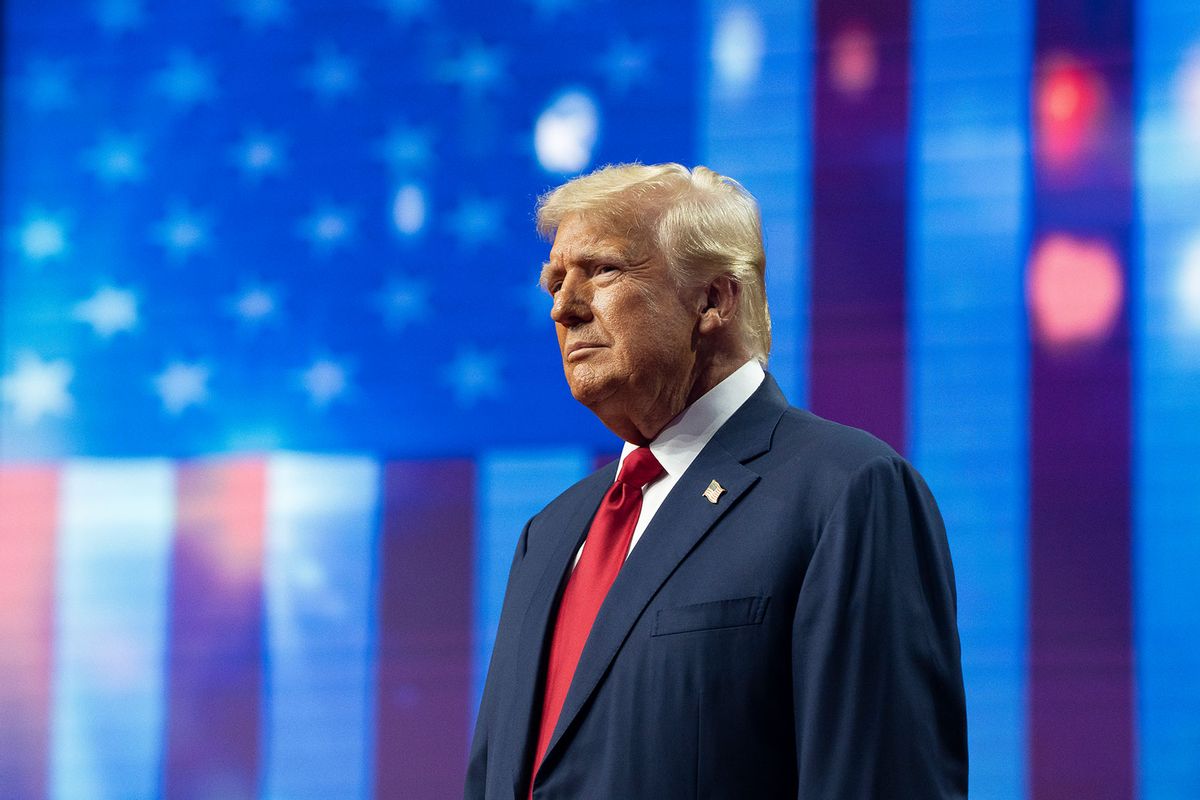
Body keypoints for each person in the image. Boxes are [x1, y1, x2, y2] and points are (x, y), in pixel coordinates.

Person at [465, 163, 967, 799]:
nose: (563, 306)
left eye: (603, 270)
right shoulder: (550, 535)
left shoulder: (845, 493)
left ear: (712, 300)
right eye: (555, 281)